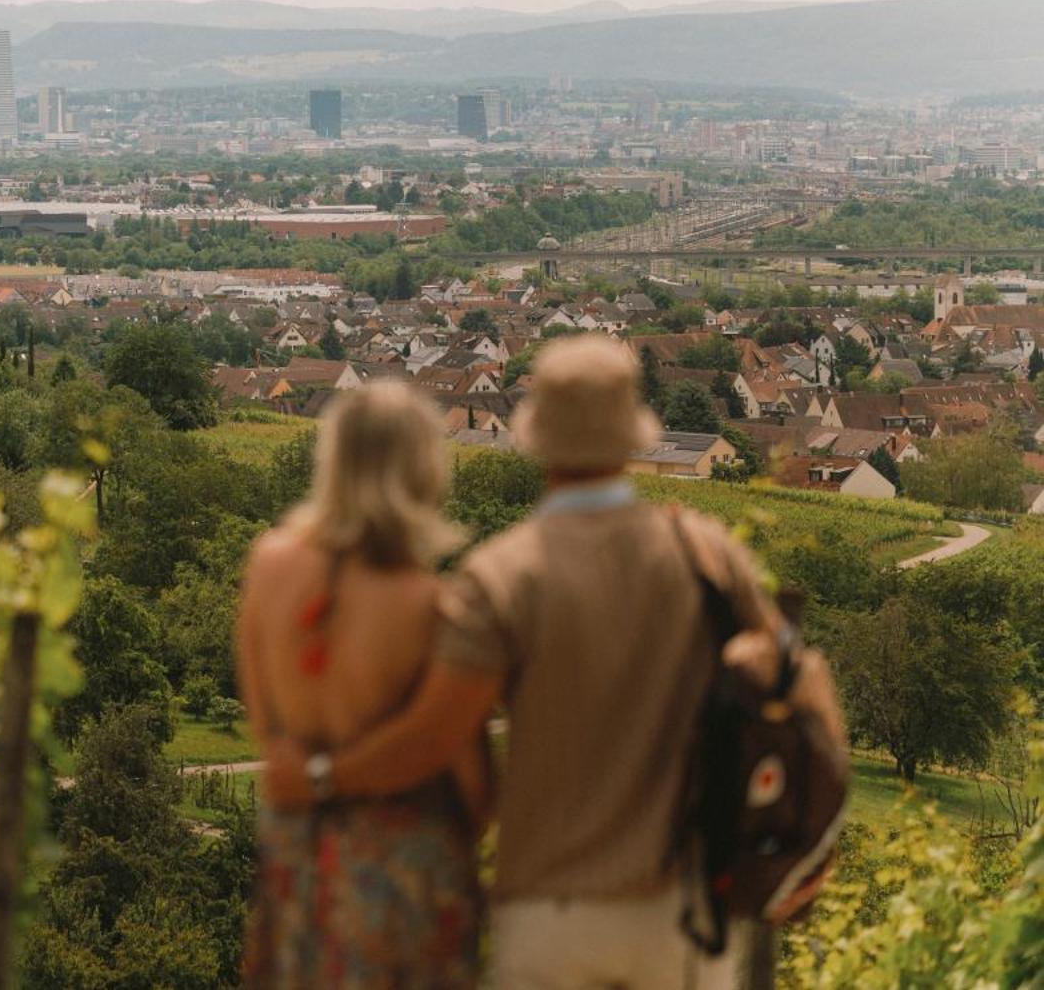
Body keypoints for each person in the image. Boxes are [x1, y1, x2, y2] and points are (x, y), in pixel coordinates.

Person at [265, 334, 811, 989]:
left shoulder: (501, 576)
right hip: (680, 907)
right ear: (631, 436)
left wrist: (322, 776)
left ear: (537, 438)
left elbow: (436, 736)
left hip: (550, 911)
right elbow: (793, 681)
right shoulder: (705, 554)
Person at [237, 382, 487, 989]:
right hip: (398, 873)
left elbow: (263, 715)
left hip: (296, 846)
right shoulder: (430, 606)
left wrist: (304, 777)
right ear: (424, 469)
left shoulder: (268, 564)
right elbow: (468, 777)